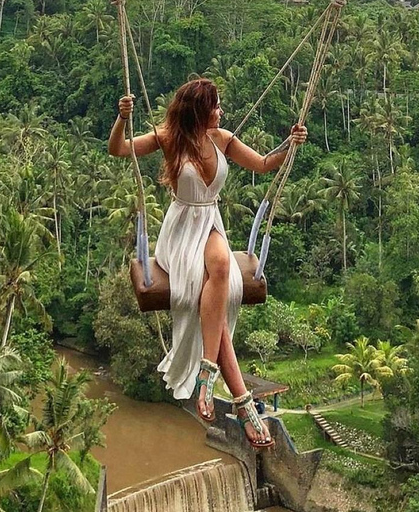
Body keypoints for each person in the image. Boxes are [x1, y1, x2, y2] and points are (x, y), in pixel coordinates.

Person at [108, 78, 307, 448]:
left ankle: (208, 372)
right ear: (199, 110)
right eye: (215, 105)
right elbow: (118, 149)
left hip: (210, 221)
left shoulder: (222, 139)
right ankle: (240, 399)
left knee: (220, 267)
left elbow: (263, 164)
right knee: (212, 293)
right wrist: (122, 118)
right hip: (181, 230)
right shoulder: (169, 136)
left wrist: (289, 144)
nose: (220, 111)